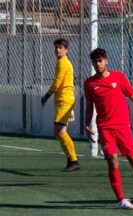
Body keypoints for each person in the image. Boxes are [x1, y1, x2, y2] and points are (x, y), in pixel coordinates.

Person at [84, 48, 133, 210]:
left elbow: (132, 95)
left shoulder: (118, 76)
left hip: (123, 127)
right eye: (94, 61)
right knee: (113, 162)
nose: (97, 64)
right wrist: (86, 124)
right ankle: (121, 199)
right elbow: (90, 106)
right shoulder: (89, 83)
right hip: (105, 128)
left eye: (100, 60)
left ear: (106, 61)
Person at [41, 38, 80, 172]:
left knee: (59, 131)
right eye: (56, 47)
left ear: (66, 50)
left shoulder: (63, 63)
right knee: (59, 132)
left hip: (64, 99)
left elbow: (57, 83)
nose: (58, 50)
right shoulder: (62, 62)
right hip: (64, 99)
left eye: (61, 47)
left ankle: (73, 160)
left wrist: (46, 95)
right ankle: (71, 160)